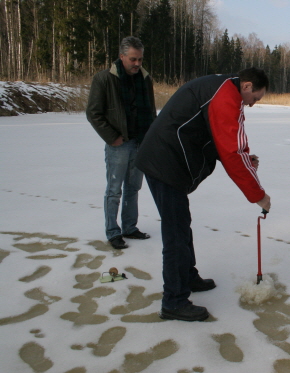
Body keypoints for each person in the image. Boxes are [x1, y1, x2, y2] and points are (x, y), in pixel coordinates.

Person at [135, 67, 272, 322]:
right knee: (175, 233)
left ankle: (187, 277)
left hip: (167, 158)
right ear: (247, 86)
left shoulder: (225, 90)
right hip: (164, 161)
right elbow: (231, 151)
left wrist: (244, 159)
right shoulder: (225, 96)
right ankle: (174, 301)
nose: (253, 105)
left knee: (181, 224)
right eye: (255, 98)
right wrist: (258, 195)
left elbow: (222, 139)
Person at [86, 36, 156, 250]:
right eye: (133, 59)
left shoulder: (145, 80)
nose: (137, 64)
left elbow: (151, 112)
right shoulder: (104, 79)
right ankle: (113, 232)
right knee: (114, 189)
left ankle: (129, 227)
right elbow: (93, 113)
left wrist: (151, 139)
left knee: (133, 187)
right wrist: (112, 137)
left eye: (140, 60)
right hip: (119, 143)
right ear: (121, 56)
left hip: (140, 142)